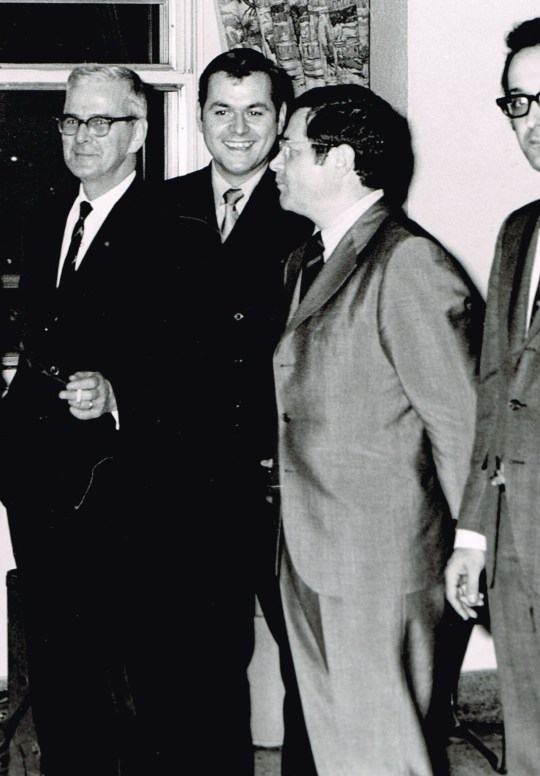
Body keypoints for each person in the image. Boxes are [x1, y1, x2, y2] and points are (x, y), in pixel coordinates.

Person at [0, 64, 207, 774]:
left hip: (125, 491)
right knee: (58, 677)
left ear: (138, 133)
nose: (81, 136)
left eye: (101, 121)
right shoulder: (42, 218)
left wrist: (120, 394)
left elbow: (196, 368)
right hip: (41, 490)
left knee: (139, 685)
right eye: (71, 120)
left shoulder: (177, 231)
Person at [270, 84, 479, 775]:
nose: (276, 162)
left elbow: (459, 423)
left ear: (340, 161)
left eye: (290, 149)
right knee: (342, 757)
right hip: (311, 553)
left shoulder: (406, 262)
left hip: (379, 565)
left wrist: (473, 546)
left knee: (385, 759)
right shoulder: (309, 259)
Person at [159, 48, 315, 775]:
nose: (239, 129)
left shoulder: (309, 208)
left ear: (281, 121)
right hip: (188, 481)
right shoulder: (158, 210)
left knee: (307, 659)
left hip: (281, 481)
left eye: (256, 111)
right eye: (222, 111)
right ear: (199, 118)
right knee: (200, 663)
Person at [447, 17, 540, 775]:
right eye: (519, 102)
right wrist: (473, 535)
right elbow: (494, 391)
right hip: (515, 545)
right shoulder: (519, 233)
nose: (532, 121)